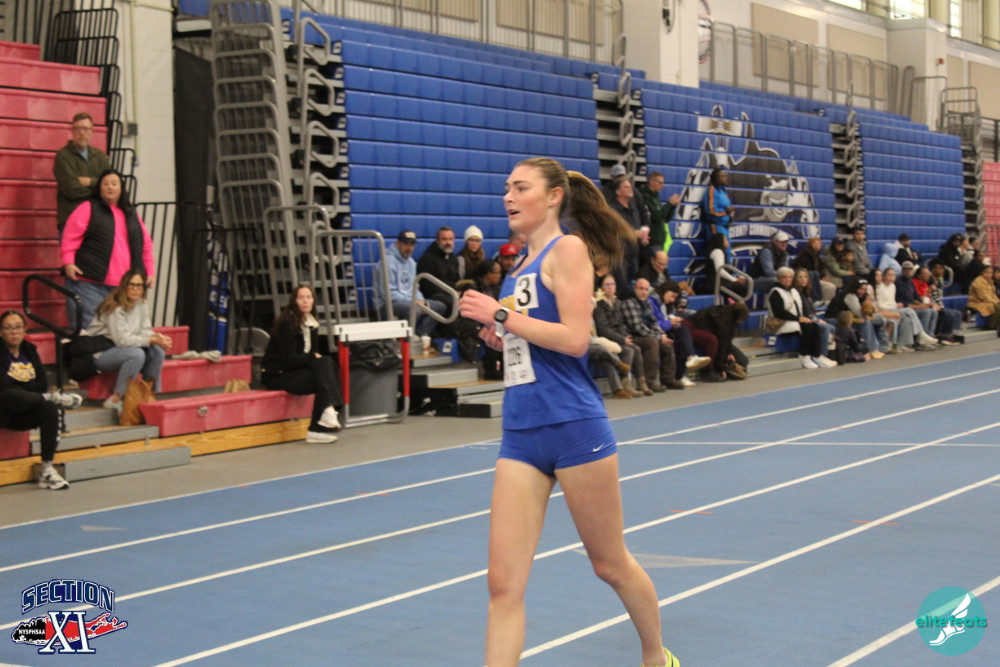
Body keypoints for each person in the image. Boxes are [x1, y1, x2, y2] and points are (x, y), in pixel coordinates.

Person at [457, 158, 679, 667]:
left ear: (553, 196)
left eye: (521, 187)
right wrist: (501, 337)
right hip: (521, 431)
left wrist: (501, 314)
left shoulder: (569, 250)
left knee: (609, 564)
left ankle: (655, 657)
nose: (508, 197)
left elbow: (576, 339)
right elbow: (531, 336)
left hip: (574, 426)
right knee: (502, 584)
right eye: (506, 188)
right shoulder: (516, 267)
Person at [60, 169, 155, 331]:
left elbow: (145, 245)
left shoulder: (131, 213)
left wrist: (149, 272)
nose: (110, 187)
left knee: (122, 333)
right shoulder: (88, 207)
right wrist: (68, 261)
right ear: (99, 188)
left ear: (121, 188)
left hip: (123, 286)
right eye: (105, 184)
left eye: (114, 183)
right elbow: (70, 237)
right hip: (90, 283)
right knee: (91, 331)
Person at [1, 311, 80, 489]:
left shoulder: (29, 349)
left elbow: (42, 383)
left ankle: (47, 469)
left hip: (23, 410)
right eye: (8, 328)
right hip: (4, 408)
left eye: (18, 327)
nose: (14, 332)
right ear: (1, 332)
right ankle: (53, 398)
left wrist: (26, 394)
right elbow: (2, 386)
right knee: (8, 394)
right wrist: (26, 391)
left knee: (50, 409)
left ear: (25, 329)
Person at [261, 284, 343, 444]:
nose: (305, 301)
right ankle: (323, 418)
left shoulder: (312, 324)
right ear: (294, 301)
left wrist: (314, 358)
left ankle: (324, 417)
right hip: (278, 375)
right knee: (323, 376)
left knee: (326, 364)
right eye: (301, 298)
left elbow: (313, 359)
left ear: (313, 301)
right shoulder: (286, 324)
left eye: (308, 297)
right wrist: (312, 357)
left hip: (298, 371)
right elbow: (290, 360)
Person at [84, 270, 170, 413]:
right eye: (132, 285)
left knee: (157, 351)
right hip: (100, 352)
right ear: (124, 286)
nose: (135, 289)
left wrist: (158, 338)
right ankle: (116, 398)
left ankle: (146, 393)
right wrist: (150, 339)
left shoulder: (142, 303)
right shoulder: (114, 307)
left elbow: (145, 329)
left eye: (139, 285)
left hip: (122, 348)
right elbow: (122, 340)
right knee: (136, 354)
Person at [374, 230, 447, 350]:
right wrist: (414, 302)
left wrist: (421, 301)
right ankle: (405, 340)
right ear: (398, 244)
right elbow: (387, 294)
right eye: (406, 244)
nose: (409, 248)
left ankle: (420, 334)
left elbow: (415, 288)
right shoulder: (387, 262)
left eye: (412, 244)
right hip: (386, 303)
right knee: (414, 309)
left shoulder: (411, 263)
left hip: (409, 301)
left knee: (439, 306)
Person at [767, 267, 836, 369]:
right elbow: (779, 312)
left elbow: (799, 309)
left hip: (794, 320)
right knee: (808, 327)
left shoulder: (793, 291)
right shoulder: (775, 292)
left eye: (789, 277)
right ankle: (804, 355)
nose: (787, 279)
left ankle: (817, 355)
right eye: (784, 277)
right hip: (782, 322)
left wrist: (804, 318)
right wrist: (798, 318)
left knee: (814, 326)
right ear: (779, 278)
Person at [622, 277, 683, 391]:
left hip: (646, 334)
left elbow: (653, 322)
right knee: (652, 342)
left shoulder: (647, 303)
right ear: (635, 288)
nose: (644, 292)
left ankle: (668, 379)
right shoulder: (629, 302)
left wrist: (662, 334)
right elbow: (637, 327)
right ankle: (650, 381)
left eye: (646, 289)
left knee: (667, 342)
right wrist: (658, 337)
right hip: (632, 336)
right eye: (641, 289)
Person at [54, 112, 111, 232]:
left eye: (85, 129)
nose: (82, 133)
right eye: (78, 129)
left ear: (92, 131)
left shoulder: (100, 156)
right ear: (72, 131)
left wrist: (90, 182)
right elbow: (71, 190)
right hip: (72, 219)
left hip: (97, 219)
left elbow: (109, 184)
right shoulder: (63, 156)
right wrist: (98, 188)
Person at [594, 273, 648, 396]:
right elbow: (603, 329)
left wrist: (626, 336)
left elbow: (621, 324)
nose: (610, 287)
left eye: (612, 284)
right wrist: (622, 339)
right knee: (628, 350)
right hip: (606, 338)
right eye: (606, 285)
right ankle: (625, 382)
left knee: (636, 348)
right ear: (601, 287)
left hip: (618, 336)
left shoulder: (617, 302)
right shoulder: (599, 305)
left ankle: (641, 382)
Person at [792, 268, 835, 361]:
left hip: (811, 319)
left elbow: (812, 311)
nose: (803, 279)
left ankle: (830, 354)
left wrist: (818, 319)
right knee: (825, 327)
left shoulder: (806, 293)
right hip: (803, 320)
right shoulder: (795, 293)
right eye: (800, 277)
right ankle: (821, 355)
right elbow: (803, 313)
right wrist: (816, 320)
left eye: (805, 277)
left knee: (832, 326)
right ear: (795, 279)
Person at [915, 266, 961, 345]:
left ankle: (950, 335)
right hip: (921, 306)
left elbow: (934, 299)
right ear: (919, 276)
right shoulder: (915, 284)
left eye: (928, 274)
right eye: (926, 274)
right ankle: (937, 336)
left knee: (957, 313)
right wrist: (929, 295)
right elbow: (918, 299)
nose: (928, 275)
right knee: (946, 313)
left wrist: (933, 300)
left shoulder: (927, 284)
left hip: (931, 305)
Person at [895, 262, 939, 345]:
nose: (908, 271)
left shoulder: (910, 281)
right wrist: (918, 306)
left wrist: (924, 304)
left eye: (910, 269)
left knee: (933, 311)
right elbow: (900, 301)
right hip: (905, 308)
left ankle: (930, 336)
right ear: (902, 270)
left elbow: (917, 297)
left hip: (913, 306)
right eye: (906, 269)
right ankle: (921, 339)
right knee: (926, 312)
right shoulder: (898, 282)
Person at [417, 226, 461, 307]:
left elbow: (457, 281)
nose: (448, 242)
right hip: (434, 296)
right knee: (454, 303)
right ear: (437, 241)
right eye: (444, 239)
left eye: (451, 239)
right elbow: (427, 287)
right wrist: (451, 292)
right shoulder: (428, 258)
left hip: (451, 293)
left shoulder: (453, 258)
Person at [638, 171, 679, 254]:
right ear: (651, 181)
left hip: (659, 241)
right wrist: (669, 204)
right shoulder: (644, 197)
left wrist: (673, 206)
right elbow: (656, 216)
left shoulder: (655, 197)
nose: (663, 186)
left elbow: (666, 219)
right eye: (660, 183)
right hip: (652, 241)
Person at [702, 232, 747, 297]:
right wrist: (734, 279)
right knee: (744, 288)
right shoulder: (717, 252)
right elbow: (720, 270)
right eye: (726, 240)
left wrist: (736, 278)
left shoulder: (718, 251)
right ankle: (735, 303)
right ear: (720, 241)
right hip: (717, 284)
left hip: (719, 283)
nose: (727, 242)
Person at [702, 167, 733, 248]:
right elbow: (710, 211)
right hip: (716, 226)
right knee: (719, 250)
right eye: (723, 176)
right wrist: (726, 213)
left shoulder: (723, 191)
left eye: (726, 176)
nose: (726, 178)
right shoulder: (712, 191)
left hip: (724, 226)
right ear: (716, 178)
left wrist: (730, 214)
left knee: (727, 251)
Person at [967, 264, 1000, 329]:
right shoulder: (978, 282)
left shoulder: (990, 281)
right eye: (986, 273)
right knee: (996, 307)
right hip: (977, 302)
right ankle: (991, 326)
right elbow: (983, 297)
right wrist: (995, 301)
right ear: (982, 272)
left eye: (990, 273)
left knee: (997, 305)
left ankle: (997, 325)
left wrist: (997, 299)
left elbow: (993, 294)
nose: (989, 275)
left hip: (988, 301)